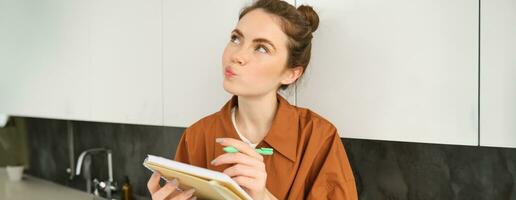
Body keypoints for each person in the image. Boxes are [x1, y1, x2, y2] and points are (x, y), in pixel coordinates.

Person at [147, 0, 358, 199]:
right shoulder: (196, 137)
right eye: (236, 38)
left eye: (262, 48)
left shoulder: (319, 138)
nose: (236, 55)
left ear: (291, 73)